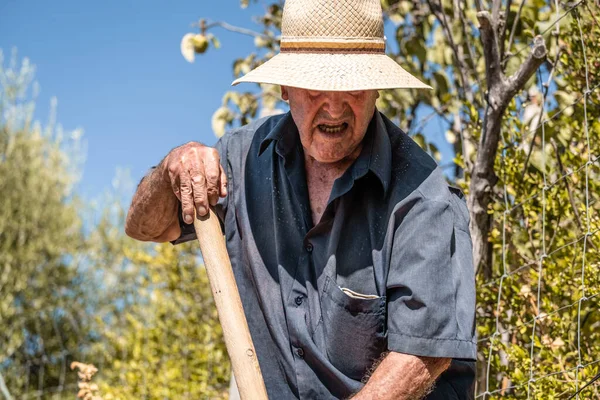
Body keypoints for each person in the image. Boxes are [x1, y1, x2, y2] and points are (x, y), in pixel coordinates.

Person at [125, 0, 477, 398]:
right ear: (284, 88)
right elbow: (144, 228)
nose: (334, 106)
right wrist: (173, 168)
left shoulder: (420, 192)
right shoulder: (241, 161)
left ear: (377, 89)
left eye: (353, 87)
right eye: (315, 86)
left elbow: (421, 357)